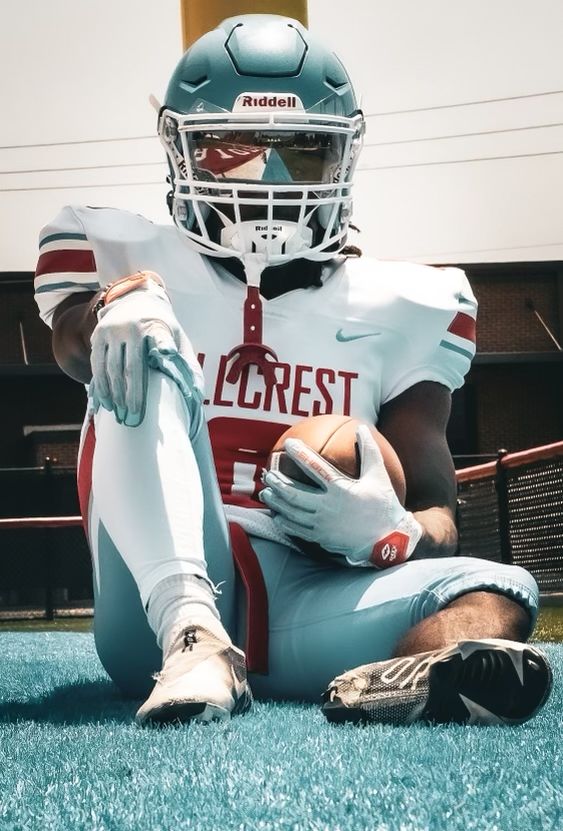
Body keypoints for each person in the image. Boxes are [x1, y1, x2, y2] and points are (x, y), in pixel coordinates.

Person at [35, 14, 552, 726]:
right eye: (234, 150)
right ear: (181, 149)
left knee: (500, 588)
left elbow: (438, 510)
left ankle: (399, 680)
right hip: (150, 615)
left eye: (300, 152)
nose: (269, 178)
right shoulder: (116, 253)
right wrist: (109, 313)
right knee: (142, 326)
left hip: (311, 600)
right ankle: (194, 637)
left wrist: (390, 529)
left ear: (343, 156)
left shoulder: (407, 304)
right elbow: (70, 339)